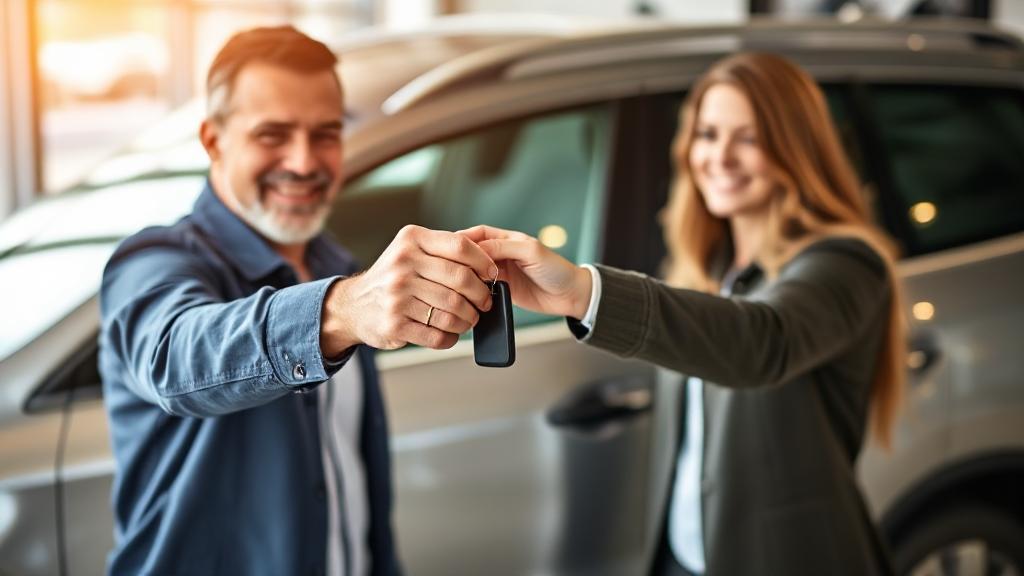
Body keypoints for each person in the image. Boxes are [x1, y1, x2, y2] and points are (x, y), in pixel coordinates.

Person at [463, 52, 905, 576]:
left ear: (796, 147)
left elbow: (763, 342)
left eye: (749, 137)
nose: (720, 156)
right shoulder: (705, 266)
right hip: (686, 555)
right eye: (708, 133)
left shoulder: (846, 263)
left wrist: (584, 292)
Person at [99, 26, 496, 576]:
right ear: (213, 140)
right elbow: (173, 357)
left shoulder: (336, 263)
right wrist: (342, 310)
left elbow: (352, 480)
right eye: (273, 135)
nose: (306, 162)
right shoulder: (154, 261)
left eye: (326, 134)